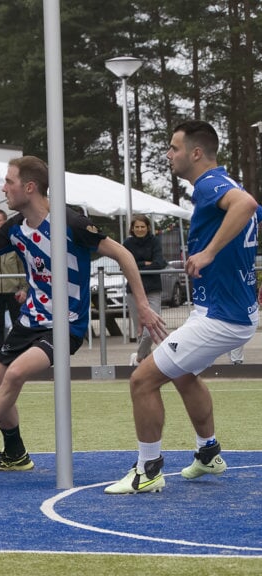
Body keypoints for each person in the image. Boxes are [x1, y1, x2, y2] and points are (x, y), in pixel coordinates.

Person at [0, 155, 165, 479]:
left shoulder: (71, 223)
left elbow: (123, 254)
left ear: (30, 187)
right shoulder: (14, 228)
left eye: (9, 182)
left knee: (15, 375)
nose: (3, 189)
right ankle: (15, 453)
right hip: (30, 320)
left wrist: (144, 306)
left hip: (66, 324)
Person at [105, 120, 259, 494]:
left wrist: (208, 251)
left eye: (174, 148)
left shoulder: (211, 183)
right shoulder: (220, 185)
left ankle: (148, 469)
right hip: (226, 310)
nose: (169, 155)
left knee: (142, 380)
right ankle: (208, 452)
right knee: (181, 373)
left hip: (223, 316)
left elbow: (248, 204)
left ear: (195, 153)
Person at [121, 214, 167, 366]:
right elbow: (124, 266)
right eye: (137, 227)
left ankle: (138, 358)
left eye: (142, 226)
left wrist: (136, 265)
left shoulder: (155, 241)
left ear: (148, 227)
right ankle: (145, 365)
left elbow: (160, 263)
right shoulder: (127, 243)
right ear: (132, 228)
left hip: (153, 289)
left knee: (151, 330)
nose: (140, 229)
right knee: (140, 332)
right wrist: (145, 263)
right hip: (133, 291)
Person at [0, 209, 25, 356]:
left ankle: (17, 354)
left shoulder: (14, 239)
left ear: (5, 221)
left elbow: (22, 266)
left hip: (13, 290)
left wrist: (24, 289)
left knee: (17, 324)